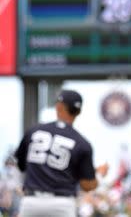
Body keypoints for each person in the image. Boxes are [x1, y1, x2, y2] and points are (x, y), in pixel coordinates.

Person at [14, 89, 108, 217]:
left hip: (31, 201)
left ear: (58, 106)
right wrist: (99, 175)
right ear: (79, 112)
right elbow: (87, 185)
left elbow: (20, 166)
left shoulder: (34, 131)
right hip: (62, 204)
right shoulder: (82, 143)